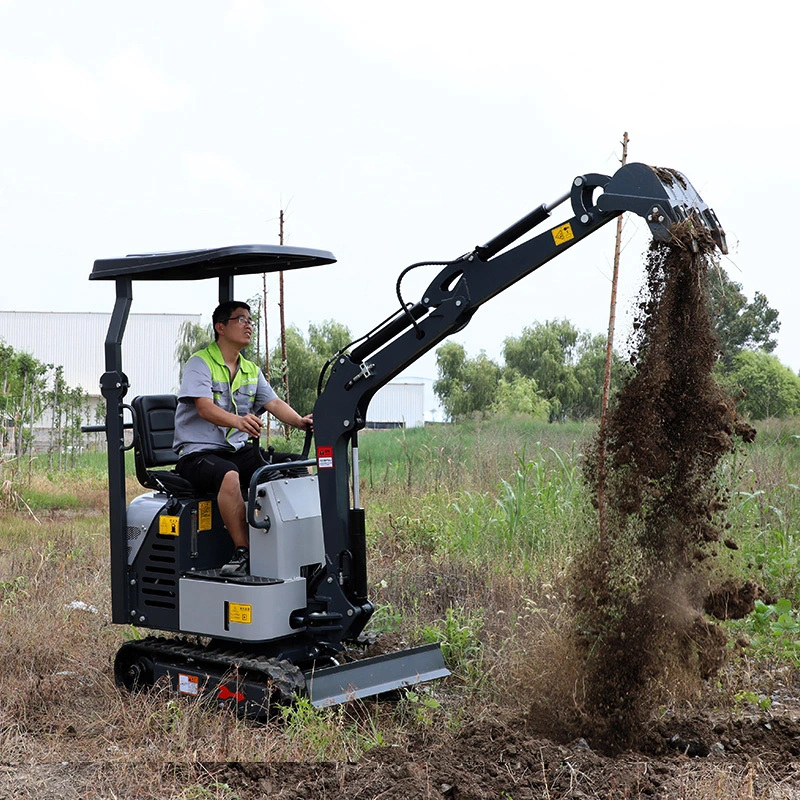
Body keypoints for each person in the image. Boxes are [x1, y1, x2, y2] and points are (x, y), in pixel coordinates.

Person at [173, 300, 312, 576]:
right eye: (241, 319)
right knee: (229, 475)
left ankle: (298, 544)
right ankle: (244, 552)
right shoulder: (200, 363)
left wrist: (301, 421)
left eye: (251, 321)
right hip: (198, 454)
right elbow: (204, 406)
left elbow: (273, 403)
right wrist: (238, 420)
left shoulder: (250, 369)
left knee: (295, 466)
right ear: (220, 327)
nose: (249, 325)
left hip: (234, 450)